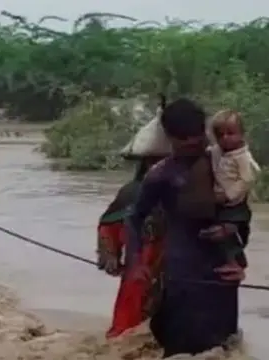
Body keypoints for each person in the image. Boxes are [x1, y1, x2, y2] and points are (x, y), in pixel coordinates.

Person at [125, 98, 246, 357]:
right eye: (185, 140)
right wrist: (136, 262)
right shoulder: (161, 175)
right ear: (170, 137)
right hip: (182, 274)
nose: (194, 144)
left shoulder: (225, 165)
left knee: (224, 348)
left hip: (221, 273)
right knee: (181, 347)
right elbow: (134, 217)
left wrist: (238, 259)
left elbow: (239, 214)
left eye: (198, 136)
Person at [97, 157, 164, 338]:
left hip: (178, 275)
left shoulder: (193, 190)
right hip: (138, 273)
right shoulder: (132, 192)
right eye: (154, 162)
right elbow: (108, 225)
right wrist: (110, 254)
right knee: (126, 333)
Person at [201, 109, 259, 268]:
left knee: (229, 231)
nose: (225, 138)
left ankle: (236, 260)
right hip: (219, 201)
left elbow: (248, 178)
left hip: (235, 204)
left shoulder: (242, 157)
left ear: (241, 134)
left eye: (230, 133)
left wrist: (228, 195)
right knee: (214, 232)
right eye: (220, 134)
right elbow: (207, 153)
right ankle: (229, 259)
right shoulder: (217, 151)